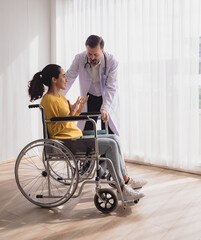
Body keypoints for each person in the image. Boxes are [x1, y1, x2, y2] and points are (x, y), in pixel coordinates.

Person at [28, 64, 147, 201]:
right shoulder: (48, 100)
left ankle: (126, 179)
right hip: (66, 141)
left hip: (74, 136)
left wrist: (75, 111)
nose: (66, 79)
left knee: (115, 138)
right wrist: (72, 114)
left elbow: (67, 121)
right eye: (63, 76)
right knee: (111, 145)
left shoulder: (60, 97)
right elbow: (55, 129)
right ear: (54, 80)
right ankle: (122, 189)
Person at [61, 35, 120, 135]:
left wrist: (105, 108)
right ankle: (89, 151)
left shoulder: (111, 61)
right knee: (87, 130)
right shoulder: (80, 58)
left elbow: (111, 87)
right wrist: (57, 95)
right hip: (89, 98)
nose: (92, 57)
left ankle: (108, 150)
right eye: (89, 54)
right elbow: (68, 78)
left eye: (95, 55)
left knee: (109, 131)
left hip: (106, 97)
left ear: (102, 51)